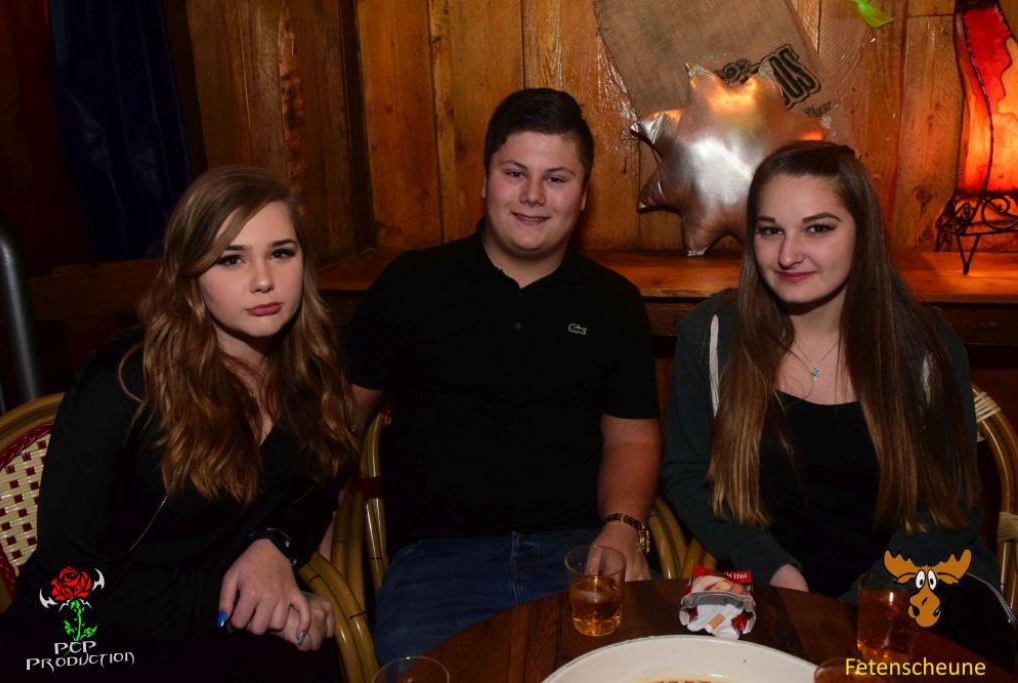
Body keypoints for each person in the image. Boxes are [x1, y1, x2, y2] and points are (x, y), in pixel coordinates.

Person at [0, 166, 354, 681]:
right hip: (89, 640)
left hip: (218, 633)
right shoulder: (126, 383)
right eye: (231, 259)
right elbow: (70, 577)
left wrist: (276, 544)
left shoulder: (311, 370)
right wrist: (253, 601)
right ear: (190, 274)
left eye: (281, 253)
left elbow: (319, 481)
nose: (263, 280)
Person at [348, 88, 660, 662]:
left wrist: (621, 526)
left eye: (556, 179)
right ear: (486, 180)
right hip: (437, 566)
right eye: (515, 173)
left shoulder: (613, 303)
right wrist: (298, 529)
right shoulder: (412, 285)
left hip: (578, 557)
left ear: (583, 195)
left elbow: (632, 438)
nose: (533, 195)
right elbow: (337, 421)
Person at [662, 140, 1007, 634]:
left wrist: (859, 604)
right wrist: (770, 566)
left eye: (818, 228)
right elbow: (688, 473)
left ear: (862, 234)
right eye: (770, 230)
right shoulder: (713, 335)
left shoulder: (924, 346)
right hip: (776, 595)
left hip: (915, 593)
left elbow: (951, 511)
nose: (788, 254)